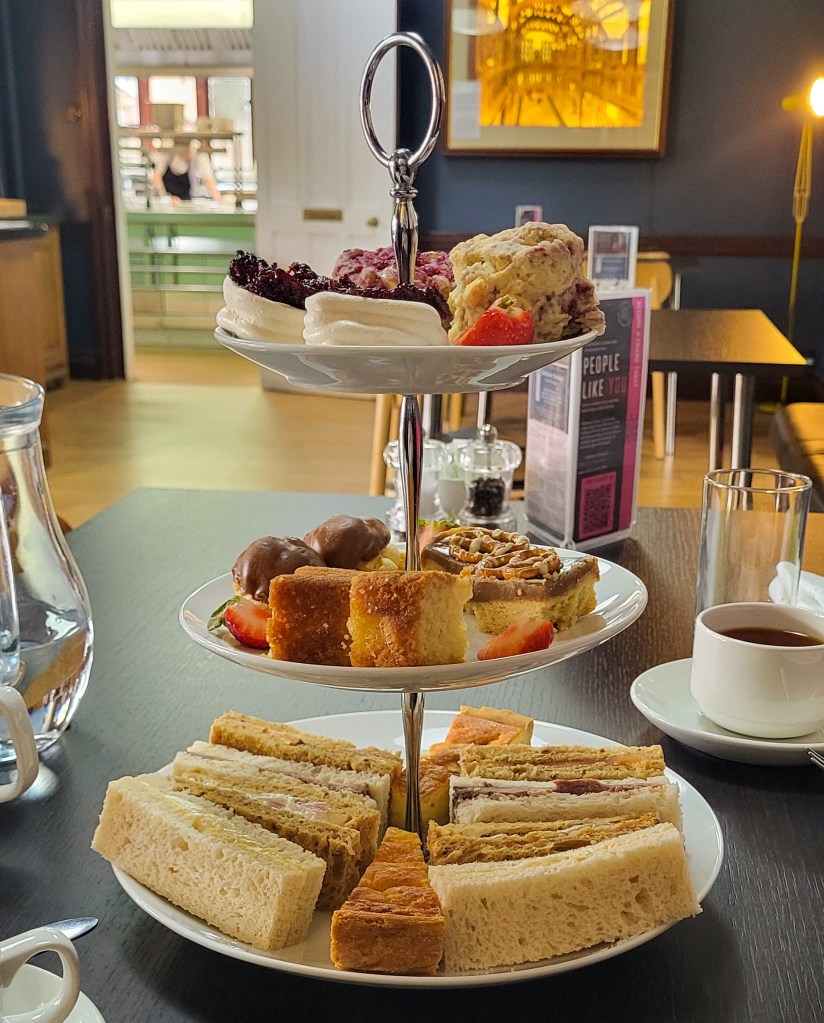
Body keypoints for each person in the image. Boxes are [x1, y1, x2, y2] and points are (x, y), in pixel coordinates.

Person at [152, 139, 221, 203]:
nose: (186, 156)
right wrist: (165, 197)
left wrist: (216, 196)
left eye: (188, 152)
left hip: (185, 201)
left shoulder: (198, 152)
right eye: (183, 153)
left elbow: (208, 177)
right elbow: (156, 175)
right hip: (165, 201)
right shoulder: (168, 152)